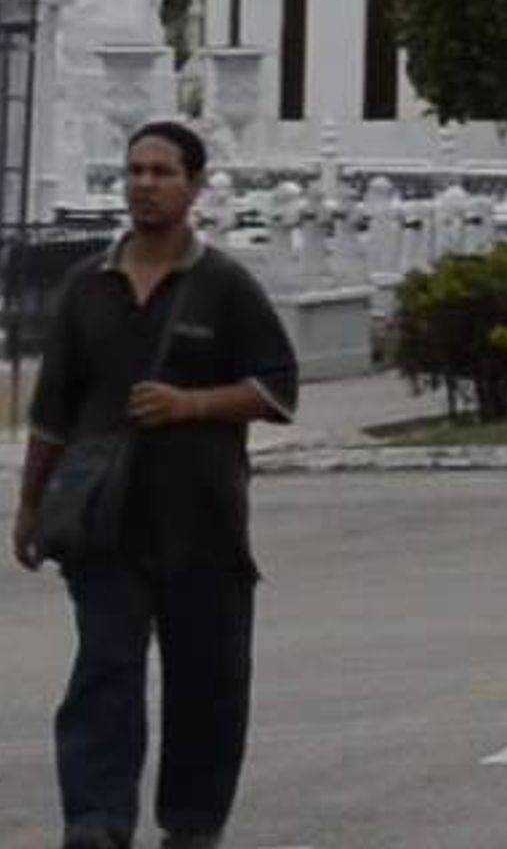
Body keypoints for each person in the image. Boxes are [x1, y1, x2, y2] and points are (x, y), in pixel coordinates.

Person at [16, 122, 298, 849]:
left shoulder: (224, 285)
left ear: (195, 186)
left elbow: (277, 388)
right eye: (135, 170)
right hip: (104, 521)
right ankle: (97, 819)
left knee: (206, 681)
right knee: (104, 674)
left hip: (201, 520)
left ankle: (193, 824)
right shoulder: (88, 286)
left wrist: (194, 405)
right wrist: (29, 506)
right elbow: (52, 412)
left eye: (163, 171)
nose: (145, 183)